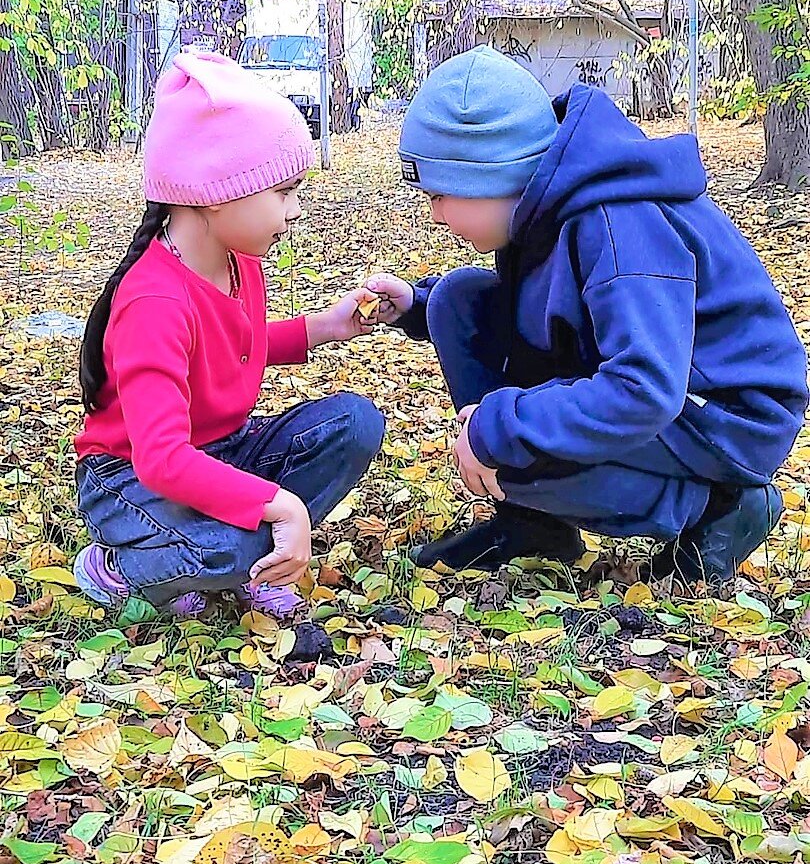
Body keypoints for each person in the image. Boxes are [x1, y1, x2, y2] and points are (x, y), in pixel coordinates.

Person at [368, 46, 808, 584]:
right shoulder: (545, 199)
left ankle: (718, 509)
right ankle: (535, 526)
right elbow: (557, 302)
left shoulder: (619, 227)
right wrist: (415, 305)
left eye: (439, 194)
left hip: (723, 415)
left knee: (514, 456)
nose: (434, 214)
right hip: (659, 383)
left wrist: (503, 427)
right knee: (456, 300)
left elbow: (644, 386)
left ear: (492, 173)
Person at [73, 50, 384, 617]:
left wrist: (328, 327)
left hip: (220, 449)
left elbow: (237, 345)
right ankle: (119, 565)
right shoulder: (153, 302)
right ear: (217, 192)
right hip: (130, 480)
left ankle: (258, 558)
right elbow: (162, 459)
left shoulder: (240, 260)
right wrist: (280, 504)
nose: (294, 211)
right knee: (234, 545)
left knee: (354, 423)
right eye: (283, 192)